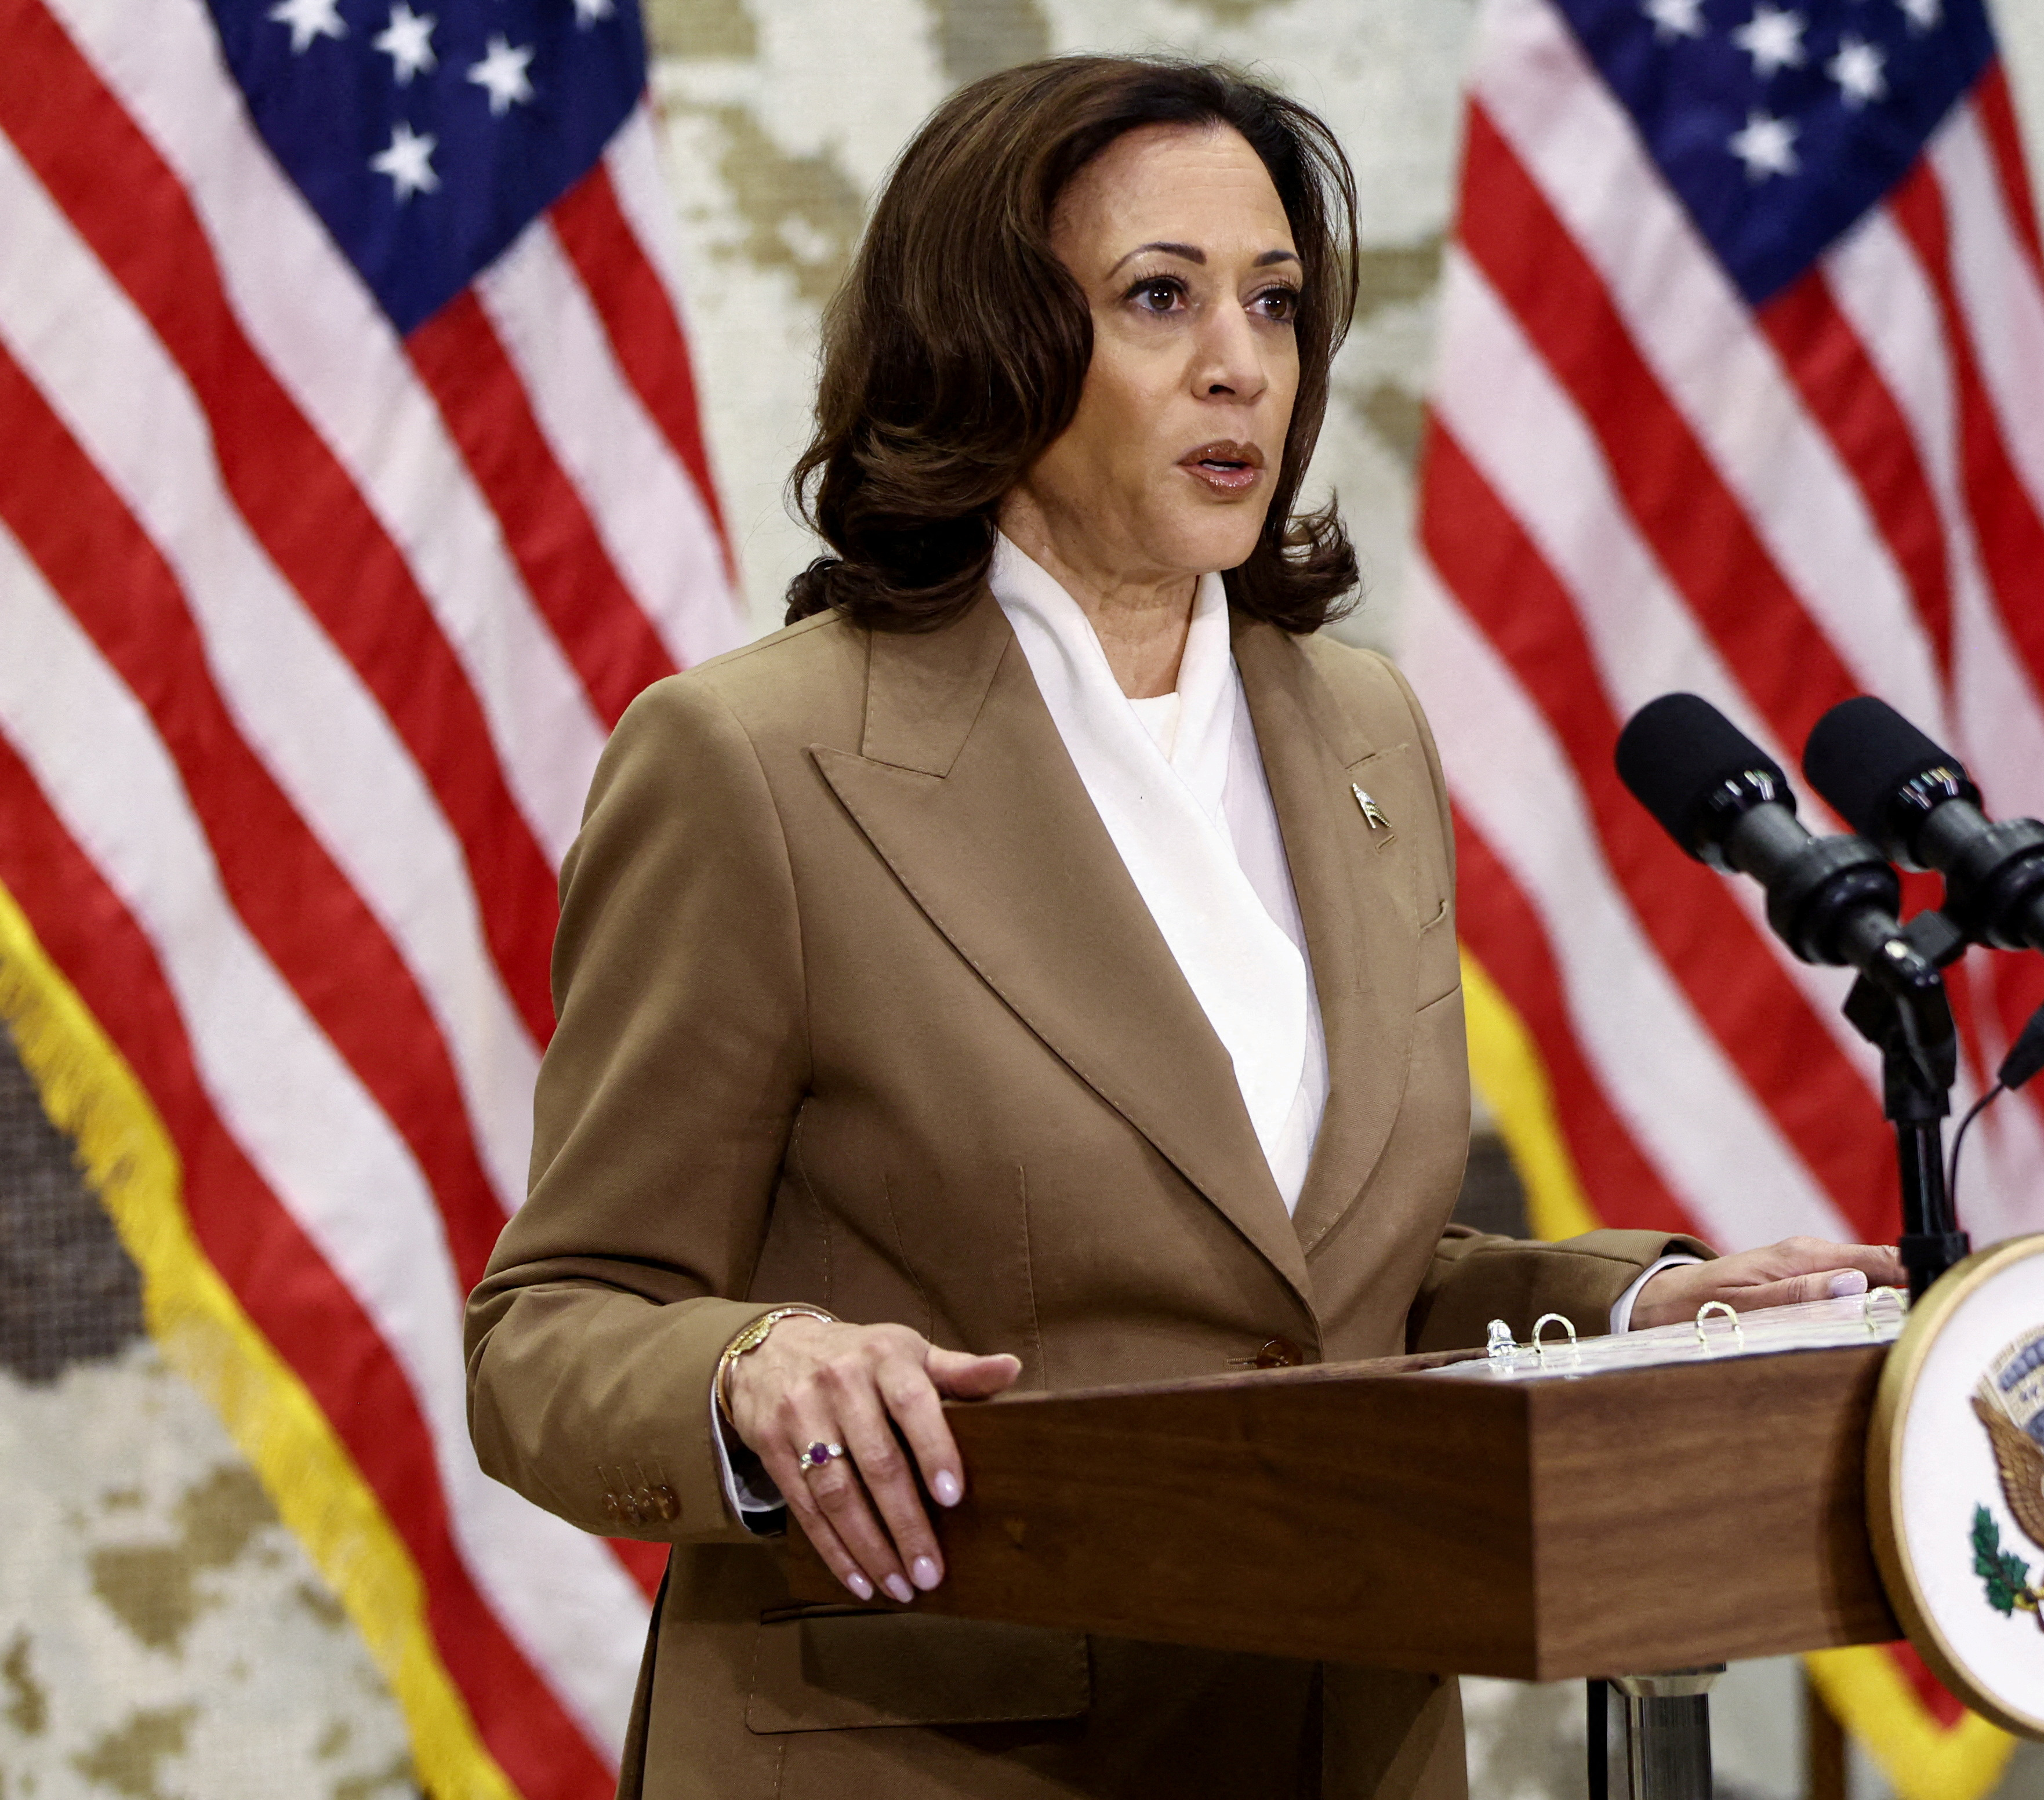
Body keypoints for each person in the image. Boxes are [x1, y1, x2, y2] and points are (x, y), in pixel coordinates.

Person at [464, 54, 1903, 1800]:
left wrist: (1647, 1308)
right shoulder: (759, 762)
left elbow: (1327, 1297)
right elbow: (553, 1325)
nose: (1243, 363)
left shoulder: (1361, 729)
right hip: (931, 1748)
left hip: (1340, 1731)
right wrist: (759, 1365)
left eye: (1277, 305)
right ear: (993, 346)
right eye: (1162, 298)